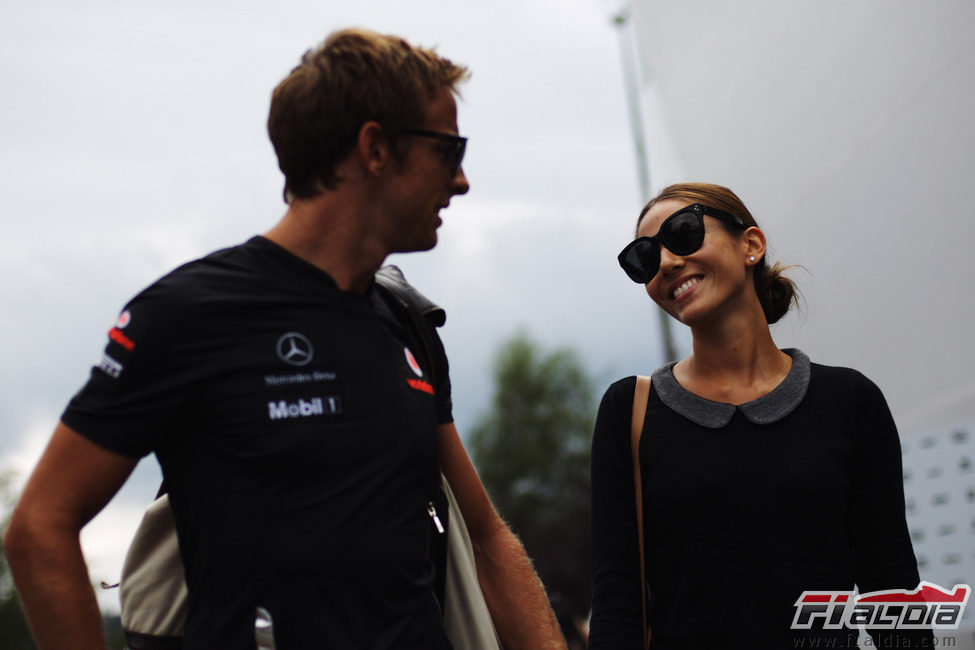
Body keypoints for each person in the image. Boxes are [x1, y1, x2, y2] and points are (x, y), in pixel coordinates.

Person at [4, 28, 565, 650]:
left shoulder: (404, 318)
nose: (462, 182)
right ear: (375, 148)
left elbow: (486, 538)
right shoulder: (190, 313)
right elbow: (39, 527)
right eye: (448, 150)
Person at [589, 182, 931, 648]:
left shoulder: (851, 401)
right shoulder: (628, 411)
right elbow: (617, 603)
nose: (666, 262)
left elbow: (891, 590)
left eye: (684, 233)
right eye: (644, 258)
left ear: (751, 244)